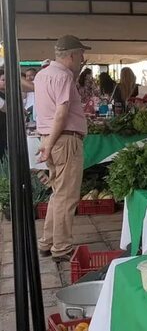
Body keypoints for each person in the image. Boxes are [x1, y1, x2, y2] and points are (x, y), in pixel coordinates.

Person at [34, 35, 89, 262]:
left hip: (49, 138)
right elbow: (61, 113)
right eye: (81, 55)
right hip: (64, 140)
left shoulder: (42, 74)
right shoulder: (64, 76)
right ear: (72, 55)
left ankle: (47, 242)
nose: (83, 59)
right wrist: (51, 143)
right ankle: (62, 248)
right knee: (66, 197)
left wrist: (47, 143)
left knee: (58, 194)